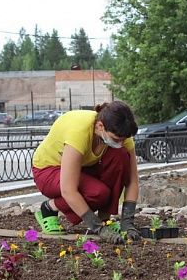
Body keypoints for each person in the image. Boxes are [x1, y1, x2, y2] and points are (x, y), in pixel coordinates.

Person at [32, 101, 140, 244]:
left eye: (123, 140)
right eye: (116, 140)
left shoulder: (120, 132)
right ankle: (49, 208)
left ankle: (104, 220)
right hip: (49, 170)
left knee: (120, 155)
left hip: (83, 167)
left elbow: (132, 181)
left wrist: (128, 223)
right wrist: (97, 228)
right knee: (98, 193)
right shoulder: (79, 132)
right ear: (100, 126)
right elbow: (68, 190)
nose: (120, 143)